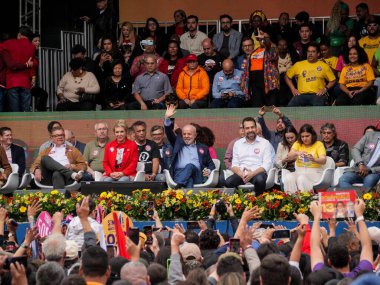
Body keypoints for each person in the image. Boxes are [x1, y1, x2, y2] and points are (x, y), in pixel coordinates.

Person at [309, 199, 374, 279]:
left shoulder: (321, 276)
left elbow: (314, 246)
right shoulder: (361, 275)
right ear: (349, 258)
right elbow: (367, 245)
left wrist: (316, 217)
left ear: (329, 261)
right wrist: (359, 215)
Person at [163, 105, 215, 188]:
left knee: (190, 166)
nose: (186, 136)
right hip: (179, 173)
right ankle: (186, 195)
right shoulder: (178, 143)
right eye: (184, 134)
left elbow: (211, 165)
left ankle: (177, 188)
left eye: (189, 134)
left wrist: (208, 170)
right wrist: (167, 118)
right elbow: (169, 132)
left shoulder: (203, 148)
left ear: (195, 135)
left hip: (197, 174)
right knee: (189, 180)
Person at [223, 116, 273, 195]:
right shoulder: (237, 144)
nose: (250, 130)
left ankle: (258, 202)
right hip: (242, 174)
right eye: (247, 128)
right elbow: (234, 165)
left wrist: (252, 173)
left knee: (260, 180)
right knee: (229, 182)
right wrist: (241, 174)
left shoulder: (265, 143)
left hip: (257, 173)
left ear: (256, 128)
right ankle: (238, 202)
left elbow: (267, 164)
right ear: (243, 130)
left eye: (252, 127)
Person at [286, 42, 336, 106]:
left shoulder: (324, 66)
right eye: (308, 51)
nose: (310, 54)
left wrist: (325, 89)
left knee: (318, 107)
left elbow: (333, 80)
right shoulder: (299, 64)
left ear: (318, 54)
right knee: (291, 105)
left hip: (317, 95)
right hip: (301, 95)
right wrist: (293, 89)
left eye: (313, 52)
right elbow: (287, 76)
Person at [282, 124, 327, 193]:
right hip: (299, 171)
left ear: (312, 135)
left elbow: (323, 160)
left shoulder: (319, 144)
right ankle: (293, 200)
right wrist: (297, 153)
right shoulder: (298, 143)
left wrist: (314, 159)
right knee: (288, 177)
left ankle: (305, 200)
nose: (304, 139)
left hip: (314, 172)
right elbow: (289, 156)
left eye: (307, 136)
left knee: (301, 178)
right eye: (302, 136)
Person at [2, 26, 36, 112]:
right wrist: (33, 77)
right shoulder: (32, 47)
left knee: (14, 112)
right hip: (25, 82)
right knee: (25, 112)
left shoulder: (10, 43)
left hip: (12, 82)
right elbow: (31, 64)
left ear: (19, 34)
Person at [248, 27, 280, 107]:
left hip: (268, 83)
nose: (262, 39)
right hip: (255, 84)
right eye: (261, 38)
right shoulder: (254, 52)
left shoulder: (273, 49)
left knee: (271, 108)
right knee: (257, 108)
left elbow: (273, 55)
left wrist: (265, 39)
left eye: (265, 38)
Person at [277, 38, 299, 106]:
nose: (282, 47)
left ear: (287, 46)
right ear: (277, 46)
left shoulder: (292, 55)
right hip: (279, 82)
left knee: (291, 101)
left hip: (291, 81)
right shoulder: (274, 56)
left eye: (284, 45)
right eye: (280, 45)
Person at [235, 37, 254, 102]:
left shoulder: (258, 57)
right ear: (242, 48)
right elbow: (237, 74)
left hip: (255, 86)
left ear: (253, 46)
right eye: (245, 46)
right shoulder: (239, 59)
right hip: (242, 87)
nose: (247, 48)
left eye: (249, 45)